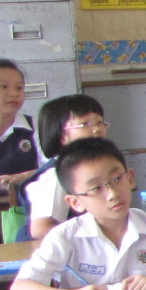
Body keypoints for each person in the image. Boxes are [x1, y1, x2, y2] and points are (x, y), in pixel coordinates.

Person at [10, 138, 146, 290]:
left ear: (130, 178)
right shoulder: (66, 235)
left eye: (117, 179)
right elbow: (20, 288)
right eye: (96, 188)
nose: (113, 194)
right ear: (75, 202)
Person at [24, 93, 108, 240]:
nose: (97, 129)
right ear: (62, 135)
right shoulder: (56, 176)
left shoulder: (86, 170)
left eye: (100, 122)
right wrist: (88, 240)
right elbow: (41, 229)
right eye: (85, 124)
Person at [0, 59, 40, 185]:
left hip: (27, 195)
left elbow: (53, 168)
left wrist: (23, 177)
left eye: (19, 88)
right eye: (3, 86)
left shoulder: (36, 125)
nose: (14, 93)